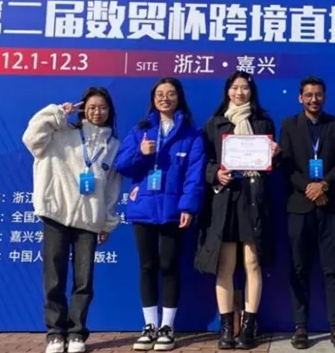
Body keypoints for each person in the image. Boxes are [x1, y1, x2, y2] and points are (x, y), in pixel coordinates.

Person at [22, 87, 122, 353]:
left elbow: (112, 188)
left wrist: (107, 222)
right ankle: (55, 333)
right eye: (92, 107)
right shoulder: (61, 133)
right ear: (82, 109)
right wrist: (55, 112)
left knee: (84, 281)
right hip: (56, 214)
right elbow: (31, 138)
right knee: (54, 277)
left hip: (89, 220)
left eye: (103, 107)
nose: (97, 112)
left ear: (110, 111)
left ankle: (77, 332)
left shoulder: (113, 145)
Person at [114, 77, 206, 352]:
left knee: (169, 265)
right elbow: (122, 166)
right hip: (143, 208)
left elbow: (194, 175)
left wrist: (188, 206)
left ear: (179, 98)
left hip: (173, 210)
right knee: (147, 266)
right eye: (160, 94)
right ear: (153, 99)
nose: (165, 98)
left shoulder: (192, 135)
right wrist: (141, 153)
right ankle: (149, 326)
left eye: (171, 93)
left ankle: (167, 327)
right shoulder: (140, 130)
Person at [195, 71, 280, 350]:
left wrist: (275, 154)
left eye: (244, 88)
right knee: (225, 266)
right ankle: (226, 328)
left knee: (252, 264)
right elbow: (203, 162)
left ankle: (248, 326)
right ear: (227, 91)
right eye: (235, 88)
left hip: (253, 199)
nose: (239, 92)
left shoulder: (263, 122)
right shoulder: (214, 123)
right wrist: (215, 174)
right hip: (225, 201)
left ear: (252, 92)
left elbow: (271, 165)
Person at [279, 76, 335, 350]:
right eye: (308, 95)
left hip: (330, 206)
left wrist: (324, 185)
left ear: (325, 97)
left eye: (318, 95)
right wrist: (308, 187)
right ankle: (300, 328)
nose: (314, 99)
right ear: (300, 98)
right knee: (299, 268)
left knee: (332, 269)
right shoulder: (289, 125)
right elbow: (285, 164)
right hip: (299, 207)